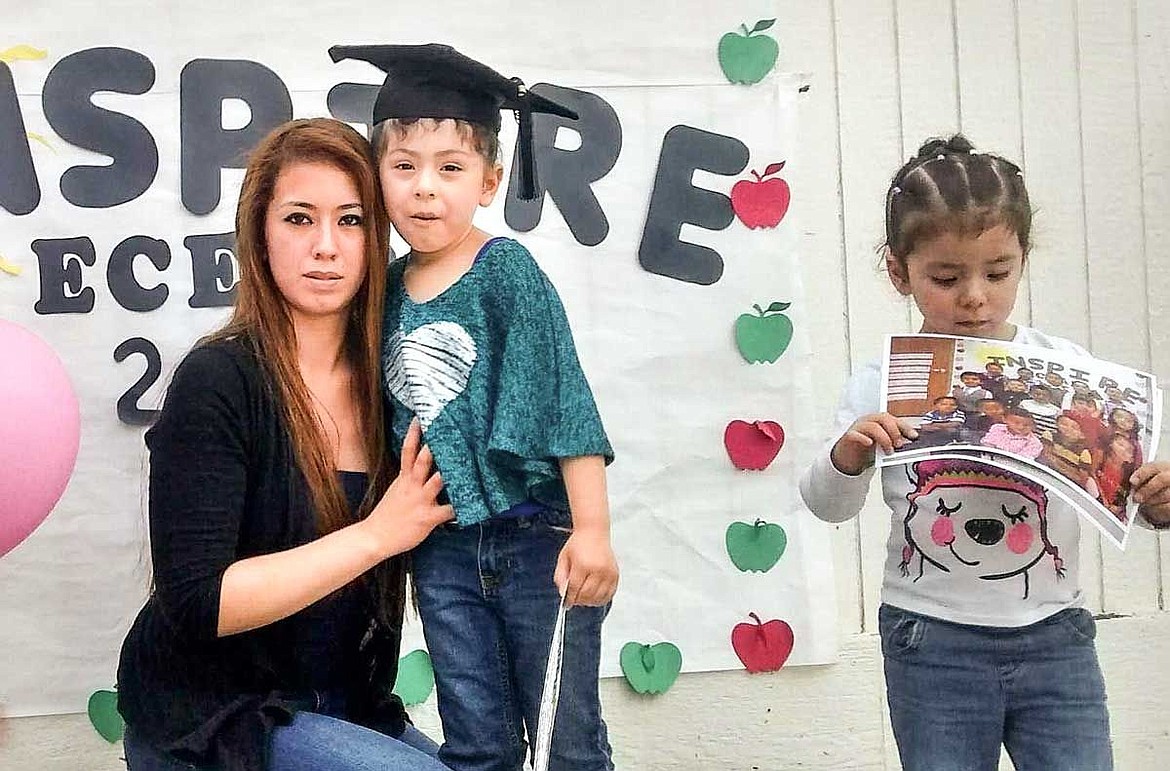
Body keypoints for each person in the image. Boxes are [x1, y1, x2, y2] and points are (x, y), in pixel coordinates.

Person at [799, 134, 1170, 771]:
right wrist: (848, 454)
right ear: (899, 270)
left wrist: (1158, 500)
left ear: (1022, 258)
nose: (975, 295)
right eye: (945, 277)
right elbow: (826, 506)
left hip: (1056, 634)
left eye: (999, 272)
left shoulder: (1068, 372)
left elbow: (1125, 497)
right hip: (930, 638)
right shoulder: (879, 381)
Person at [117, 118, 454, 771]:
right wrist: (378, 534)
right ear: (261, 236)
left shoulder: (394, 385)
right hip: (219, 717)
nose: (326, 245)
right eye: (300, 219)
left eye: (351, 220)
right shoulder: (220, 380)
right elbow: (199, 600)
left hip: (345, 706)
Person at [329, 43, 618, 771]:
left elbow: (564, 403)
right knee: (477, 743)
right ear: (377, 175)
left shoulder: (507, 273)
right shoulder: (384, 291)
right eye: (404, 167)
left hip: (537, 546)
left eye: (450, 169)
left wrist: (592, 531)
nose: (426, 189)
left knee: (565, 741)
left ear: (489, 181)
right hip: (445, 552)